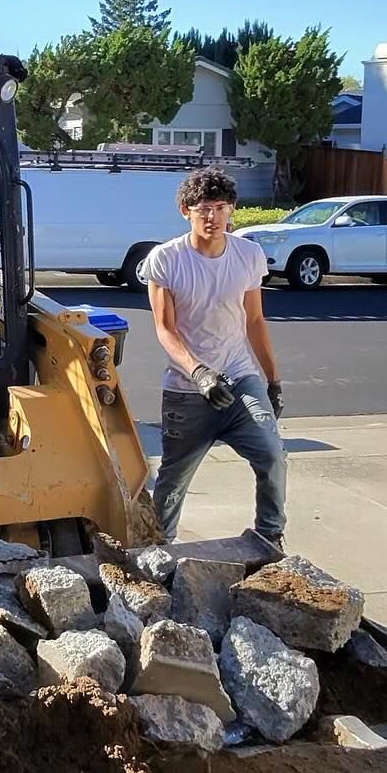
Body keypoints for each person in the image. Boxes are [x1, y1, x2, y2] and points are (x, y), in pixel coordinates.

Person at [145, 167, 287, 551]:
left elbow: (254, 320)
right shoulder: (166, 260)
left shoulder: (248, 255)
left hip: (240, 378)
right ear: (185, 211)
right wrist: (200, 374)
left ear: (232, 210)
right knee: (173, 481)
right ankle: (158, 550)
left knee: (273, 456)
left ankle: (269, 536)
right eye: (203, 209)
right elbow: (165, 330)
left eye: (221, 208)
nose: (213, 217)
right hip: (188, 390)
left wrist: (272, 380)